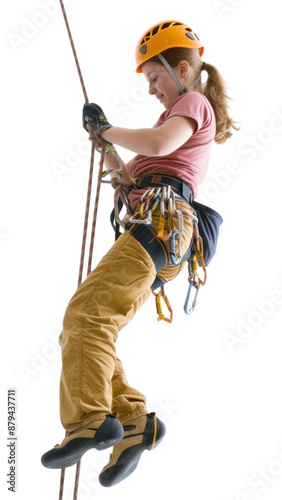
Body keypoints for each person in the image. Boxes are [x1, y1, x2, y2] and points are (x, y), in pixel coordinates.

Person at [41, 20, 238, 487]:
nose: (150, 89)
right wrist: (104, 141)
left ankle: (89, 420)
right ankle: (132, 424)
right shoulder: (170, 124)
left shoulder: (192, 104)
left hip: (163, 223)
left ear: (182, 68)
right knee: (88, 324)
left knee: (86, 316)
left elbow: (158, 143)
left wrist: (111, 128)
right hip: (159, 229)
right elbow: (128, 175)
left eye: (153, 76)